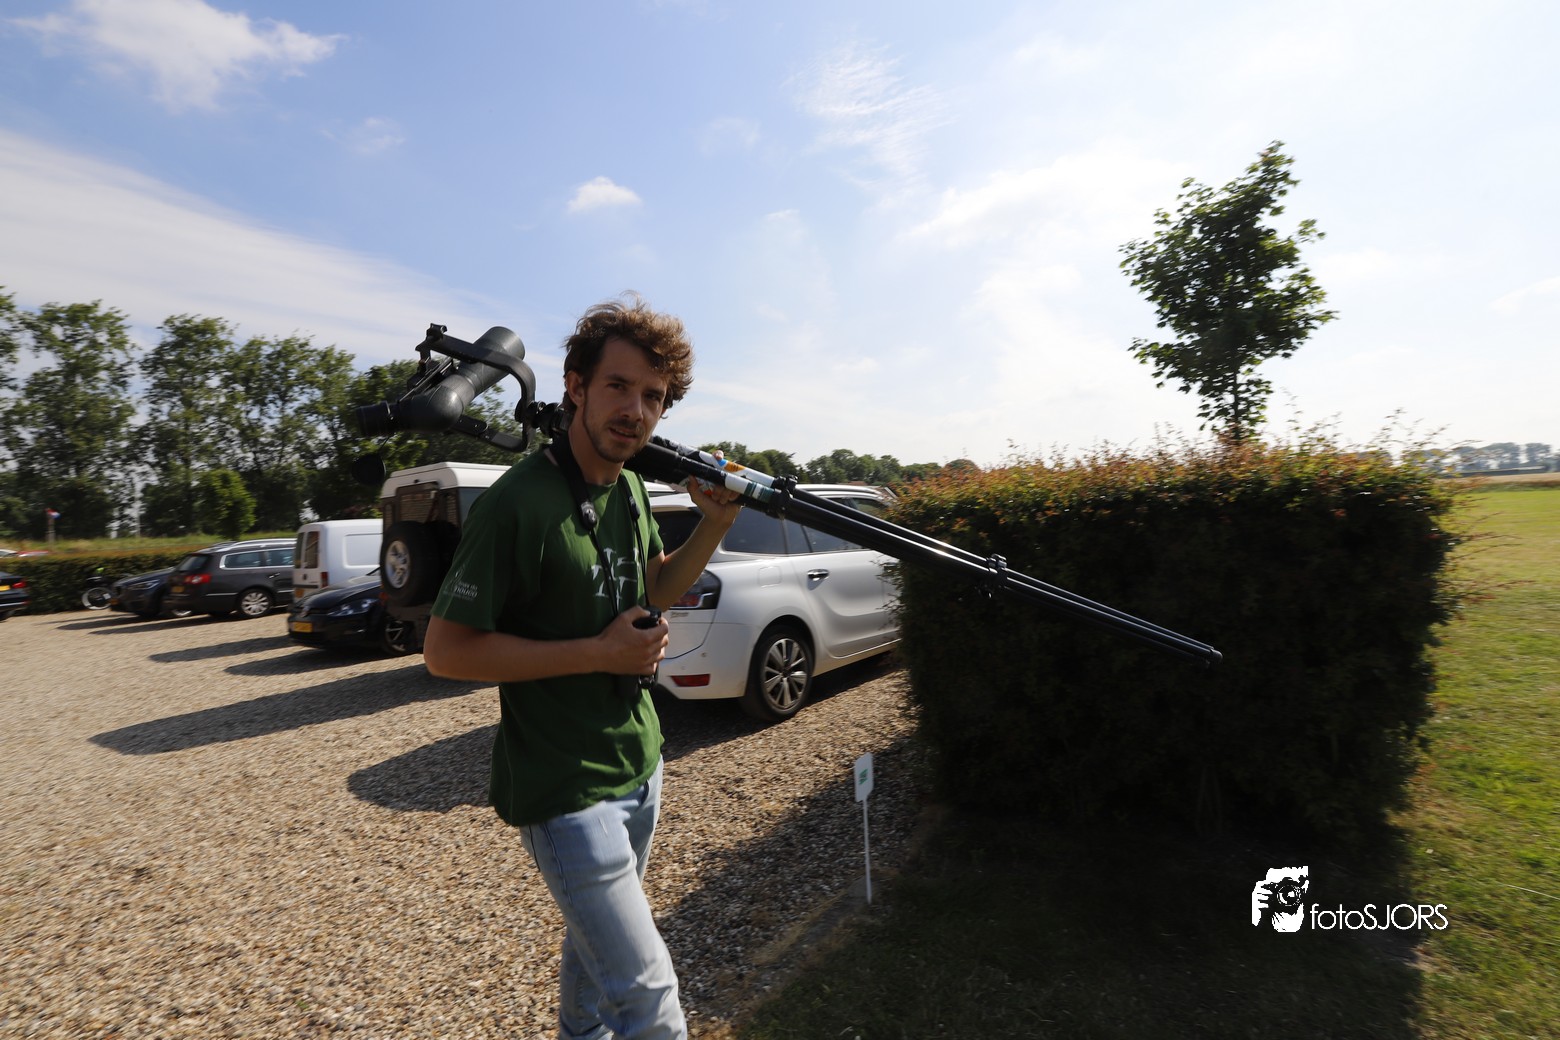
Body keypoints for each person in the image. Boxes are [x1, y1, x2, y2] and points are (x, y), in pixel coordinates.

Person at [423, 294, 740, 1040]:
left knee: (595, 969)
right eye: (618, 387)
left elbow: (654, 585)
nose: (636, 411)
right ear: (575, 386)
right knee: (649, 998)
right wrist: (598, 653)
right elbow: (446, 651)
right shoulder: (517, 504)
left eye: (653, 397)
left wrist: (715, 524)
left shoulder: (627, 487)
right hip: (564, 788)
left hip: (640, 761)